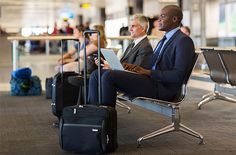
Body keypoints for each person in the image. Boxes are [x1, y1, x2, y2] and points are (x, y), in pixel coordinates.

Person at [88, 5, 195, 107]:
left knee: (108, 76)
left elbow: (178, 75)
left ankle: (106, 119)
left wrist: (148, 72)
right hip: (150, 81)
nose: (158, 21)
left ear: (175, 19)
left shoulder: (183, 41)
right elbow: (151, 64)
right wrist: (128, 67)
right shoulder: (164, 40)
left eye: (163, 16)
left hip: (162, 87)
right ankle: (94, 112)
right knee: (96, 74)